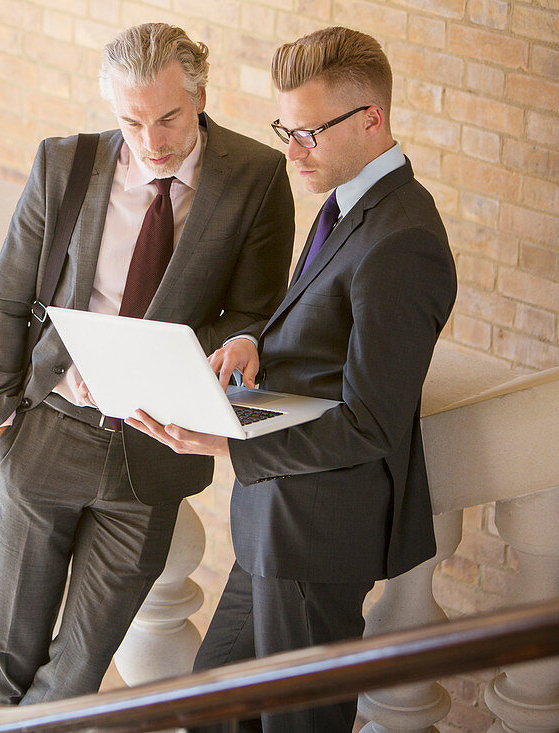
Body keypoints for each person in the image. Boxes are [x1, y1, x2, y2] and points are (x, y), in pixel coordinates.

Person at [128, 26, 457, 731]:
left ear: (372, 119)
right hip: (278, 523)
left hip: (319, 536)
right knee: (211, 707)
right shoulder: (346, 203)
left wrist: (226, 444)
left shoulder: (405, 242)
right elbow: (321, 313)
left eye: (306, 131)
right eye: (286, 128)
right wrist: (256, 336)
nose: (290, 149)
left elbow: (371, 422)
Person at [0, 22, 295, 704]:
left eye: (169, 117)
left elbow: (255, 310)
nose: (152, 142)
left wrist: (231, 343)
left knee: (78, 671)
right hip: (46, 437)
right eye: (132, 121)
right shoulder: (64, 166)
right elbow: (5, 298)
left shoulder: (257, 178)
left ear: (200, 94)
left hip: (150, 461)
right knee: (7, 663)